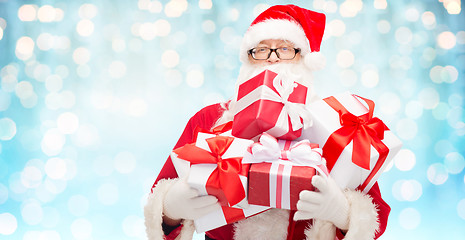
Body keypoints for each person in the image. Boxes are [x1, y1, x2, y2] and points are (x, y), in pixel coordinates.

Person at [144, 4, 390, 240]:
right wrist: (171, 209)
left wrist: (343, 213)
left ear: (303, 59)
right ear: (248, 59)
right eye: (261, 49)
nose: (272, 59)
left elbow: (376, 217)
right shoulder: (209, 119)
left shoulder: (334, 127)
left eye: (285, 48)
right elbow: (158, 200)